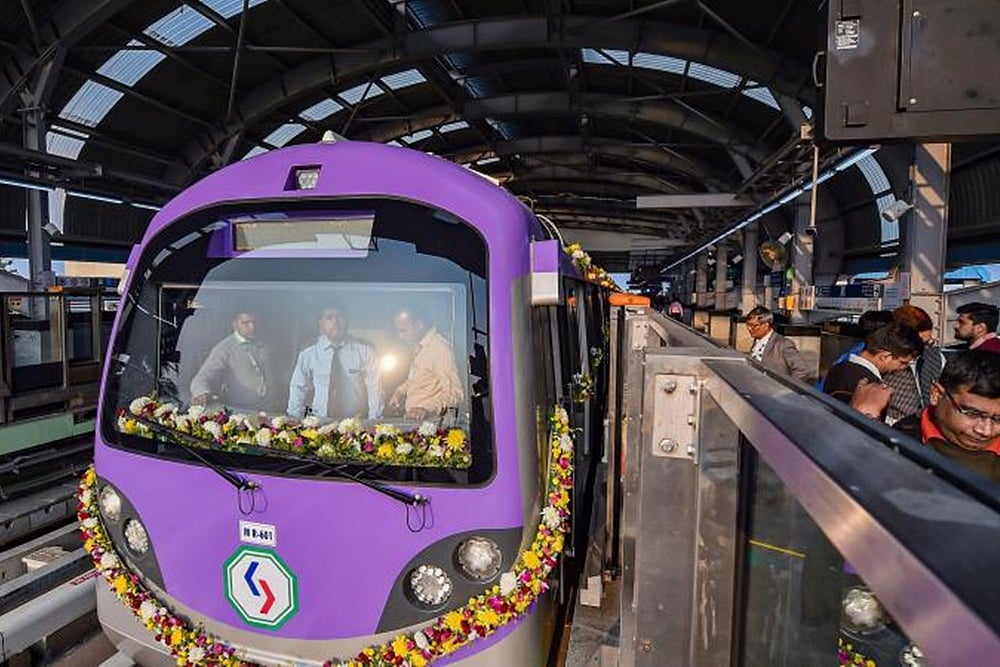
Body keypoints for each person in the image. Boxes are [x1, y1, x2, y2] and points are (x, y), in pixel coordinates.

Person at [892, 351, 1000, 482]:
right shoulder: (898, 444)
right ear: (936, 395)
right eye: (972, 414)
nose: (985, 431)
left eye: (998, 419)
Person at [287, 306, 383, 420]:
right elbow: (298, 387)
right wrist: (293, 419)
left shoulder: (364, 351)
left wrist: (374, 421)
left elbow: (375, 388)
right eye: (329, 318)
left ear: (347, 321)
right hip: (319, 422)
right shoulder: (309, 352)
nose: (335, 322)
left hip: (356, 423)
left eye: (340, 317)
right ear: (321, 324)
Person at [823, 322, 924, 419]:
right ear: (885, 356)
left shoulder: (838, 367)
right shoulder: (872, 388)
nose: (903, 368)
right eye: (902, 362)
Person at [190, 311, 275, 411]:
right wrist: (202, 393)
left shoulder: (265, 343)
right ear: (235, 324)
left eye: (254, 322)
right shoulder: (224, 348)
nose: (252, 327)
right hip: (241, 411)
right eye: (246, 323)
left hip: (269, 408)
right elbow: (204, 376)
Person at [388, 308, 464, 420]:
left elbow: (455, 394)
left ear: (419, 324)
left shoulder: (439, 349)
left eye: (403, 330)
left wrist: (426, 409)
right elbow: (420, 377)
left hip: (431, 425)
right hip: (416, 423)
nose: (400, 336)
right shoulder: (422, 346)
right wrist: (400, 391)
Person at [882, 305, 946, 424]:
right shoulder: (884, 361)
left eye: (928, 341)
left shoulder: (935, 357)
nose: (929, 344)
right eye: (922, 343)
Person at [744, 306, 810, 381]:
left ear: (766, 325)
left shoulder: (784, 344)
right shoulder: (756, 341)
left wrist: (785, 387)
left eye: (754, 326)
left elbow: (802, 371)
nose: (749, 329)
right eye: (748, 325)